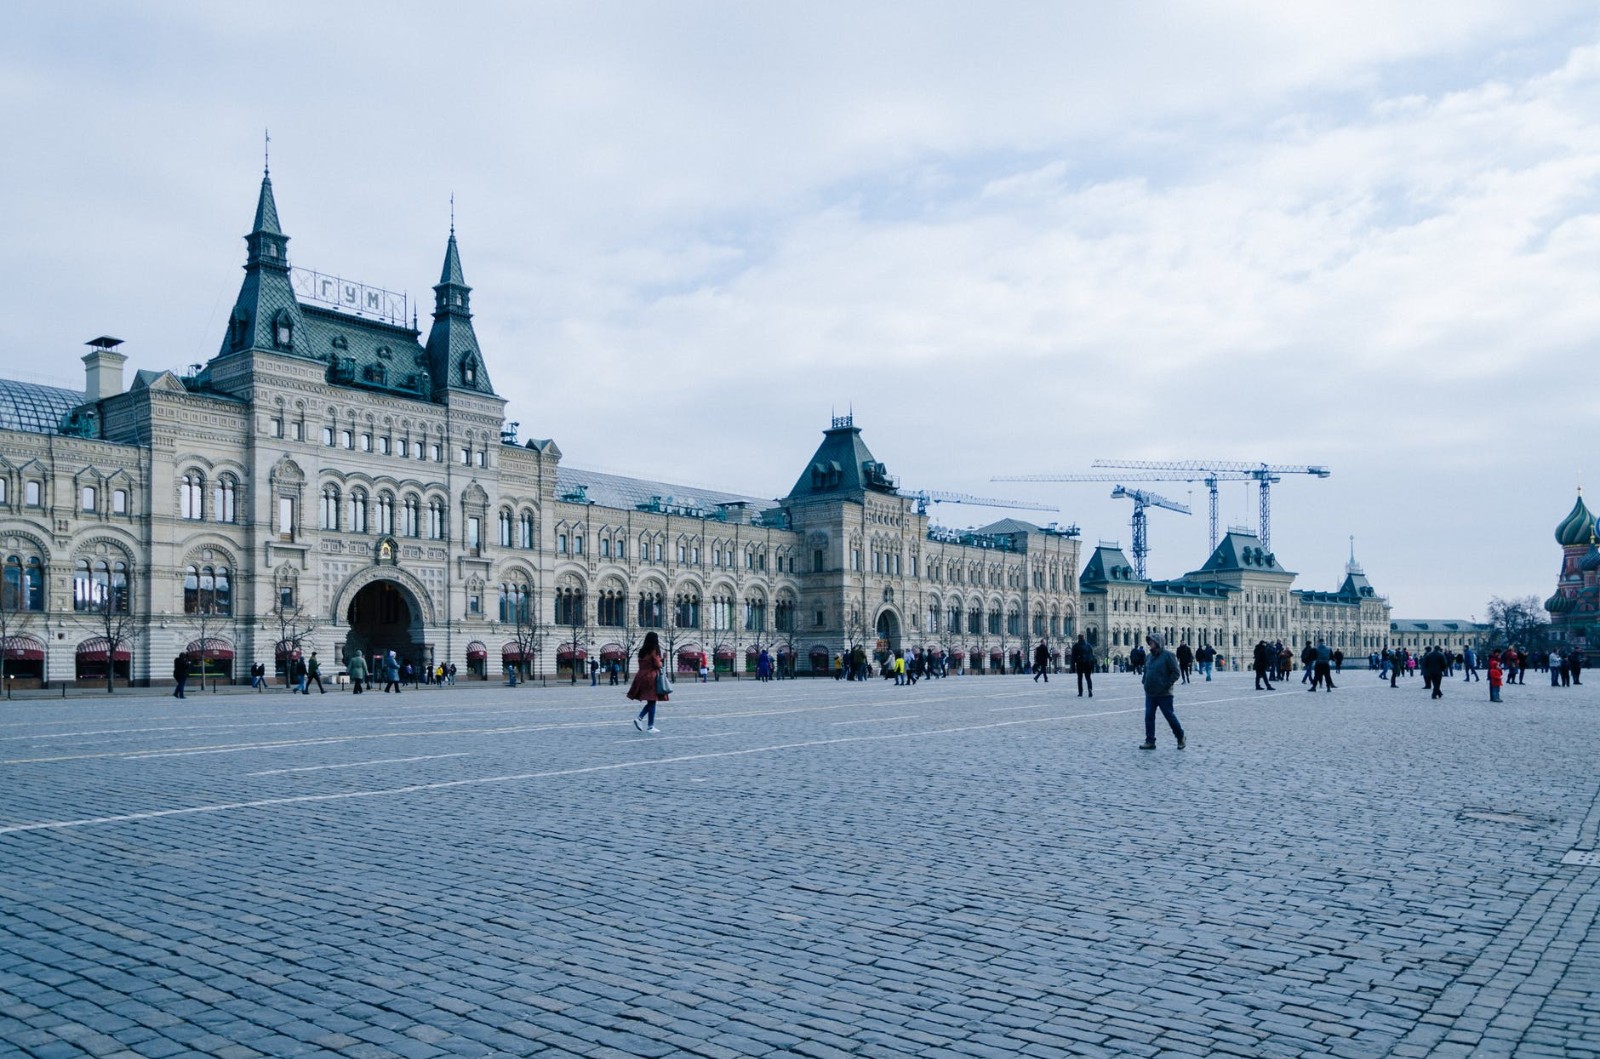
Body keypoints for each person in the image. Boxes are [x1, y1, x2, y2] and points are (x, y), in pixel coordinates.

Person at [1138, 635, 1186, 750]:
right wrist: (1145, 680)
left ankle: (1180, 737)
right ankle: (1150, 741)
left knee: (1169, 716)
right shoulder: (1148, 657)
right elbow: (1146, 670)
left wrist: (1166, 684)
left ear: (1158, 642)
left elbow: (1176, 672)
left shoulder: (1168, 656)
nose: (1149, 643)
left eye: (1152, 641)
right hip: (1150, 693)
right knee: (1149, 717)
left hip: (1164, 694)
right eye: (1149, 641)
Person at [628, 630, 668, 733]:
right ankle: (649, 725)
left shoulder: (642, 651)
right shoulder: (653, 650)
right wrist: (662, 659)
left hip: (641, 676)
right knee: (653, 700)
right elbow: (657, 664)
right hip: (651, 677)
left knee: (651, 701)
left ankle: (641, 720)